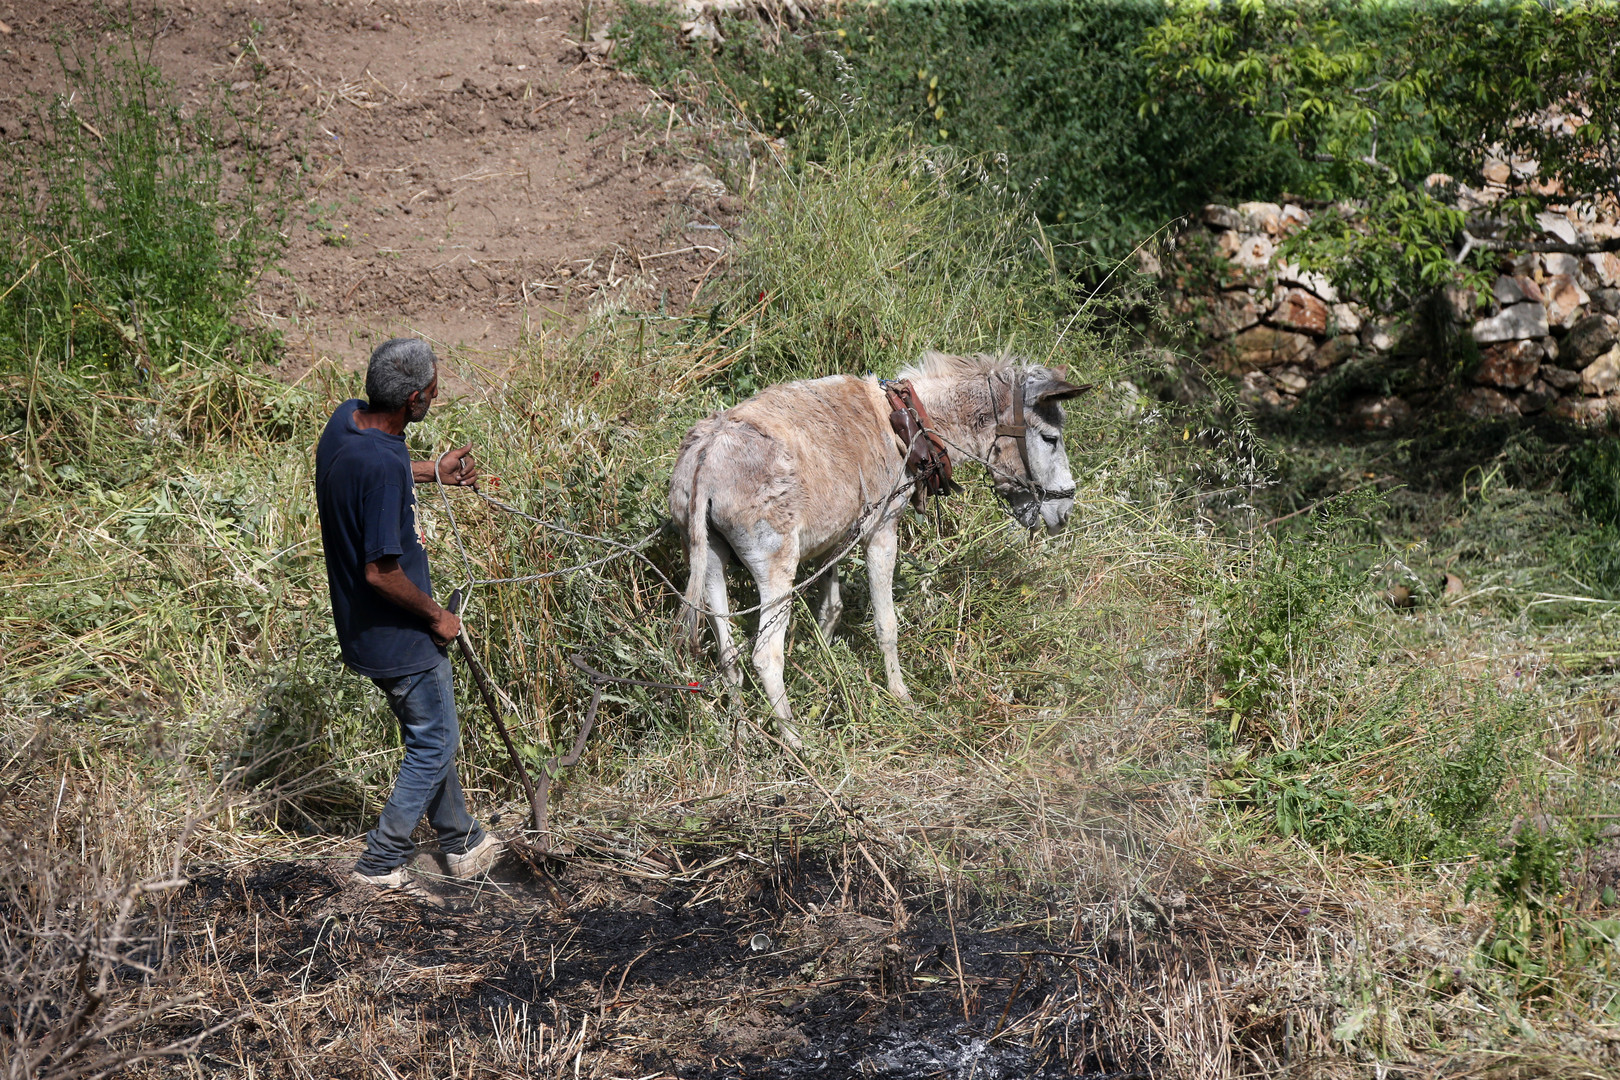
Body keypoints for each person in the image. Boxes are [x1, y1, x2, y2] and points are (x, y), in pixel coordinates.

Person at [314, 337, 502, 887]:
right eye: (435, 391)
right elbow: (380, 572)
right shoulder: (380, 465)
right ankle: (380, 860)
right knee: (435, 740)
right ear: (415, 398)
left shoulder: (347, 423)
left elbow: (379, 468)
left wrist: (430, 472)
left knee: (429, 728)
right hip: (399, 635)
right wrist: (438, 618)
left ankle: (461, 840)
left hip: (361, 629)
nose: (437, 398)